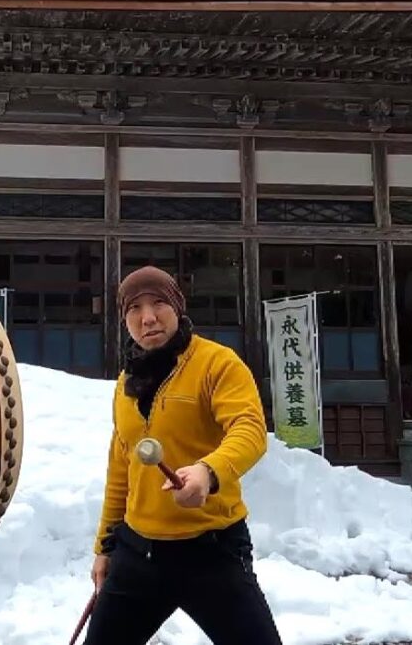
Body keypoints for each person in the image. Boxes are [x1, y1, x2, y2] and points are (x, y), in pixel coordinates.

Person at [84, 265, 283, 645]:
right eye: (135, 308)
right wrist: (105, 548)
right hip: (138, 553)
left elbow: (249, 430)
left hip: (212, 551)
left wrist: (209, 471)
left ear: (177, 306)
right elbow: (121, 470)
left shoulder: (217, 363)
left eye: (158, 303)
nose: (148, 317)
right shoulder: (127, 383)